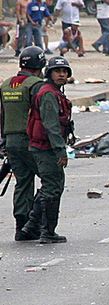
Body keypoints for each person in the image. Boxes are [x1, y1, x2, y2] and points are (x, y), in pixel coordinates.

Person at [23, 56, 74, 244]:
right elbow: (51, 125)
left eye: (64, 71)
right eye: (57, 71)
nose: (62, 74)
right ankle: (47, 231)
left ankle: (31, 226)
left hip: (44, 146)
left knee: (50, 187)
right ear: (49, 73)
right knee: (52, 188)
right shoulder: (48, 94)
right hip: (45, 148)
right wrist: (60, 151)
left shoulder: (54, 92)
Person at [0, 46, 45, 241]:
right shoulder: (36, 85)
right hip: (30, 140)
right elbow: (42, 114)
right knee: (51, 179)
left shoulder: (6, 84)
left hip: (10, 140)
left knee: (23, 181)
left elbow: (1, 114)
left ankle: (21, 225)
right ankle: (34, 222)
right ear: (40, 65)